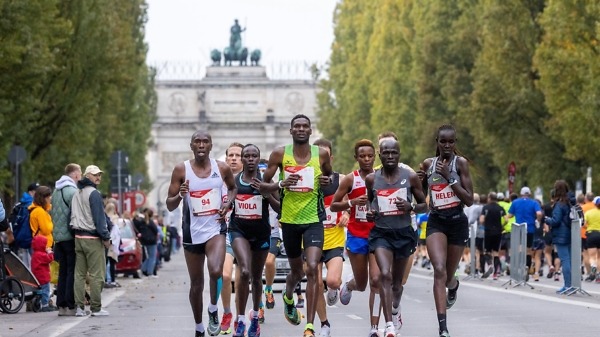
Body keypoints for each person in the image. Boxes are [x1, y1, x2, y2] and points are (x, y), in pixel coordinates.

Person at [259, 114, 333, 337]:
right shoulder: (280, 154)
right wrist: (281, 184)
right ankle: (288, 295)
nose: (301, 129)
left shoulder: (320, 154)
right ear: (291, 131)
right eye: (297, 126)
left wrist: (326, 182)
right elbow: (264, 186)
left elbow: (329, 179)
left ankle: (309, 326)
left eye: (305, 126)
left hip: (313, 220)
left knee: (312, 268)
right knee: (297, 271)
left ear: (311, 131)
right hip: (289, 221)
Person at [166, 130, 236, 337]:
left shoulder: (221, 168)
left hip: (215, 228)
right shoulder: (181, 170)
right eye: (197, 142)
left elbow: (232, 189)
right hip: (192, 231)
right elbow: (170, 205)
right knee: (196, 284)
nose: (202, 145)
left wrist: (227, 202)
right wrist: (180, 195)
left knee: (216, 271)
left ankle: (213, 308)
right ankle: (198, 326)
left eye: (206, 141)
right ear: (192, 146)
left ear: (211, 145)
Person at [365, 138, 427, 337]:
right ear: (380, 155)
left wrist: (411, 207)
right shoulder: (372, 179)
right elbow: (369, 201)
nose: (390, 156)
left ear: (399, 155)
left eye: (394, 153)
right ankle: (389, 325)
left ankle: (395, 307)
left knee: (397, 284)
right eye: (386, 153)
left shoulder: (410, 177)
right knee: (384, 274)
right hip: (381, 233)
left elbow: (424, 205)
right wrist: (369, 213)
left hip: (403, 233)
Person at [417, 124, 474, 337]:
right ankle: (443, 328)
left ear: (455, 143)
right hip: (437, 221)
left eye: (451, 142)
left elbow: (468, 199)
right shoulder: (428, 164)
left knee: (448, 275)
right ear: (437, 143)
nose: (447, 145)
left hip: (457, 221)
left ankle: (454, 284)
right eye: (443, 141)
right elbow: (421, 200)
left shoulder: (461, 164)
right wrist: (418, 182)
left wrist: (450, 179)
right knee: (439, 270)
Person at [330, 139, 382, 337]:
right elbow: (334, 205)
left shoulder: (381, 177)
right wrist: (351, 203)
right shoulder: (350, 180)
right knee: (362, 284)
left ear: (374, 156)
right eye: (362, 156)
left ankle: (374, 328)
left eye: (370, 156)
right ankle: (349, 285)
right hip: (357, 235)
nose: (366, 159)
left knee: (376, 281)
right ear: (356, 158)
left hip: (378, 235)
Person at [230, 144, 280, 337]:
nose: (250, 159)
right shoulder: (234, 181)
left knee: (256, 278)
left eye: (254, 156)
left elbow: (279, 209)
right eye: (247, 156)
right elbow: (226, 202)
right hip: (239, 231)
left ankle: (255, 318)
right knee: (244, 271)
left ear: (259, 159)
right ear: (242, 159)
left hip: (261, 233)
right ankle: (240, 319)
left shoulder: (266, 181)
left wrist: (266, 193)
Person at [312, 138, 348, 337]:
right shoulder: (308, 179)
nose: (322, 160)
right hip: (312, 237)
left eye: (325, 156)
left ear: (331, 158)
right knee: (316, 283)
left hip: (334, 237)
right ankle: (324, 324)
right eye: (318, 156)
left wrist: (346, 214)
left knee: (333, 281)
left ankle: (334, 289)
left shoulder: (340, 179)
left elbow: (347, 203)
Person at [70, 165, 112, 317]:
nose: (98, 177)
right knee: (97, 275)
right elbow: (100, 219)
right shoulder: (94, 194)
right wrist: (106, 238)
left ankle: (79, 307)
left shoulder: (77, 193)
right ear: (87, 176)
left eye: (99, 174)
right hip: (93, 239)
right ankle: (96, 308)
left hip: (78, 237)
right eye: (95, 175)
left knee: (79, 275)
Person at [50, 163, 82, 316]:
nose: (80, 176)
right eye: (80, 173)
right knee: (72, 271)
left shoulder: (56, 191)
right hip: (70, 237)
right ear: (75, 174)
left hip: (58, 238)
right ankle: (70, 305)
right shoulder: (72, 191)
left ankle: (61, 305)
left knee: (62, 271)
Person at [220, 142, 244, 334]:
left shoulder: (252, 181)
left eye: (238, 155)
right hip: (226, 233)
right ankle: (227, 312)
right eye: (231, 155)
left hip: (246, 234)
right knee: (226, 275)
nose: (234, 158)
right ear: (226, 159)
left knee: (244, 278)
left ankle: (240, 317)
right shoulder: (217, 181)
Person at [506, 186, 543, 281]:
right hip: (530, 228)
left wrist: (505, 219)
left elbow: (510, 215)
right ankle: (526, 267)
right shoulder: (534, 203)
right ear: (529, 194)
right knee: (529, 250)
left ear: (521, 194)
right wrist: (537, 220)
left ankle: (519, 268)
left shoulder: (515, 202)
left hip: (518, 229)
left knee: (519, 248)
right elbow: (539, 213)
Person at [544, 180, 573, 293]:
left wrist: (547, 220)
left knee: (564, 260)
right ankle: (572, 284)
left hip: (561, 234)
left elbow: (556, 221)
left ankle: (567, 285)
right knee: (570, 260)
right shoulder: (570, 202)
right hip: (571, 232)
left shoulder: (559, 204)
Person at [479, 192, 506, 280]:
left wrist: (483, 224)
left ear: (489, 198)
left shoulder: (486, 207)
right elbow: (506, 219)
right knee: (496, 252)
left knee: (487, 251)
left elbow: (482, 219)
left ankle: (490, 265)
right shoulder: (500, 208)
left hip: (488, 231)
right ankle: (495, 273)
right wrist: (502, 226)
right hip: (498, 232)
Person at [31, 235, 56, 312]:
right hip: (43, 277)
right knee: (46, 291)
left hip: (37, 276)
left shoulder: (35, 254)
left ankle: (40, 303)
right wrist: (50, 252)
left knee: (41, 291)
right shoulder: (41, 255)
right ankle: (45, 305)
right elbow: (50, 259)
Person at [584, 196, 600, 282]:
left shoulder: (589, 213)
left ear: (594, 204)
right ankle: (599, 275)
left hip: (591, 234)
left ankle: (593, 267)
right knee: (599, 257)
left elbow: (584, 224)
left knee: (592, 256)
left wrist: (589, 226)